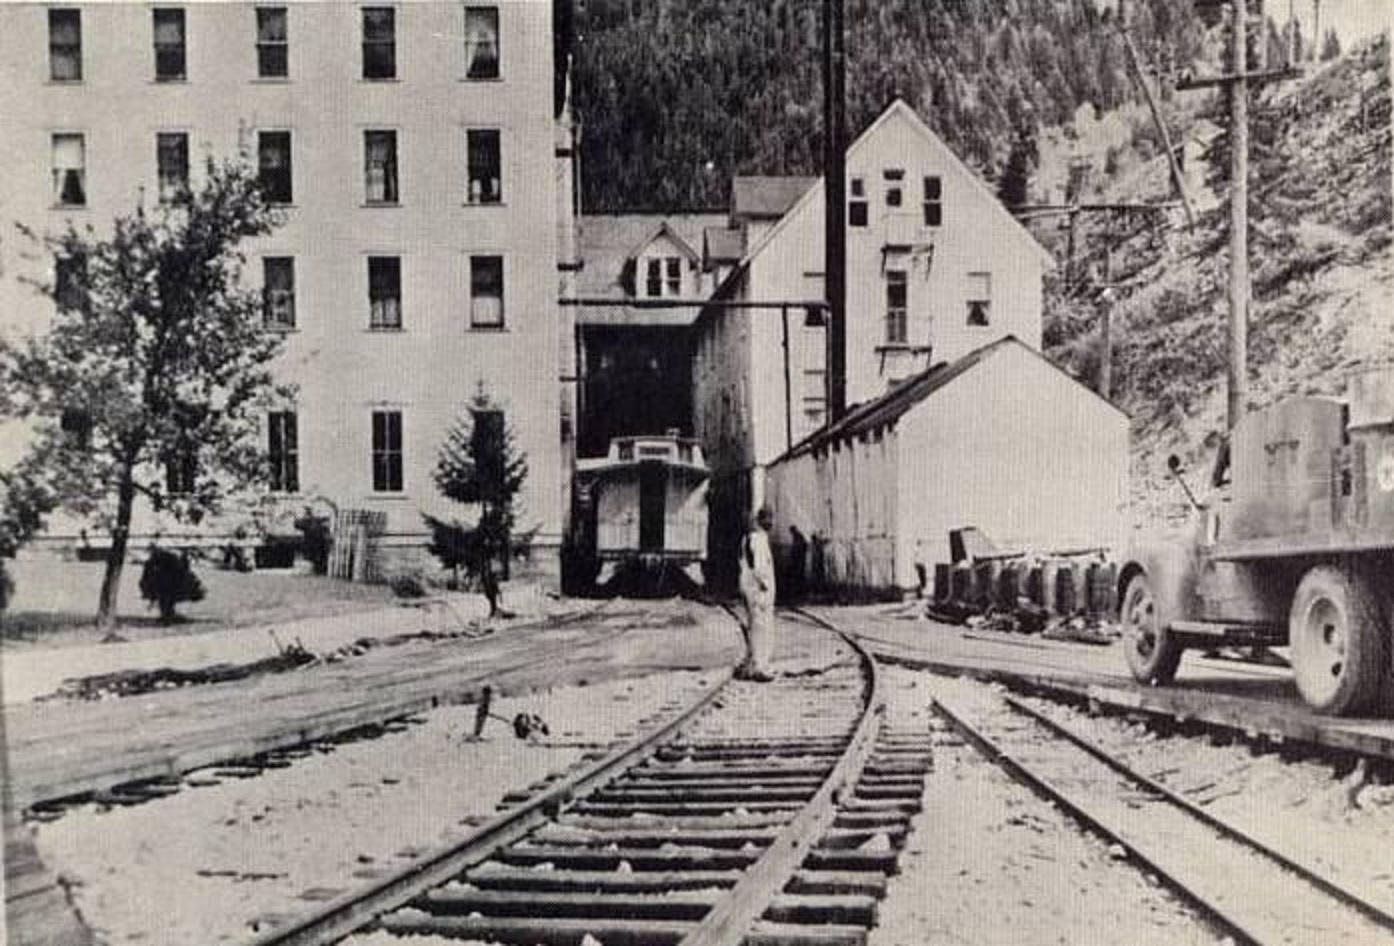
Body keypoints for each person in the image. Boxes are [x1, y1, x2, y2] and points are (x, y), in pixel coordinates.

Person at [737, 506, 777, 681]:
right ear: (762, 521)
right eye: (768, 519)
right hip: (758, 591)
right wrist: (765, 587)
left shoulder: (751, 538)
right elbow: (760, 568)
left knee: (755, 628)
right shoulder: (758, 539)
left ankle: (751, 665)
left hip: (752, 589)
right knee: (761, 629)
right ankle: (760, 667)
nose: (771, 523)